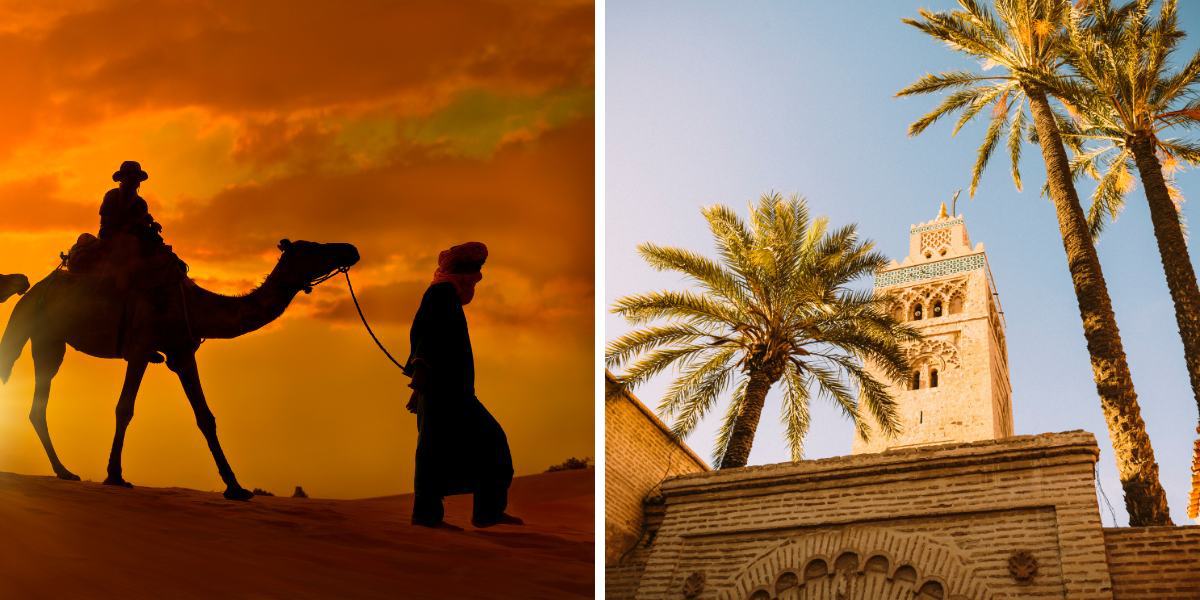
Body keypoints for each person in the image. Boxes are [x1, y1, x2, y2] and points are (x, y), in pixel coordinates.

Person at [404, 242, 522, 529]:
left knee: (446, 447)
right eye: (473, 270)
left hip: (450, 389)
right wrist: (420, 378)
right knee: (474, 443)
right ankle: (431, 516)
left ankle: (485, 511)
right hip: (444, 390)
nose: (477, 277)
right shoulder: (441, 295)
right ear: (462, 272)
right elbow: (425, 335)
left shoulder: (446, 296)